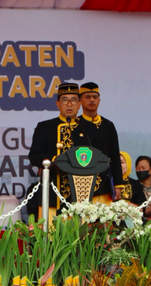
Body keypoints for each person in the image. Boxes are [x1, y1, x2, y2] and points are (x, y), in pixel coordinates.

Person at [28, 82, 93, 219]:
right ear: (58, 104)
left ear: (79, 103)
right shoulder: (45, 127)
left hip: (81, 191)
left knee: (80, 235)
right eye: (65, 100)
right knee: (51, 235)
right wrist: (53, 161)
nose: (69, 104)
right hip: (52, 191)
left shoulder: (88, 128)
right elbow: (34, 155)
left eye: (73, 100)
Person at [78, 82, 124, 204]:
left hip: (105, 182)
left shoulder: (108, 125)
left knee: (105, 220)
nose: (92, 100)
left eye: (95, 97)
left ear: (99, 100)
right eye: (87, 97)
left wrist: (118, 183)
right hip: (82, 184)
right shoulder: (75, 124)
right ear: (80, 100)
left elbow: (115, 155)